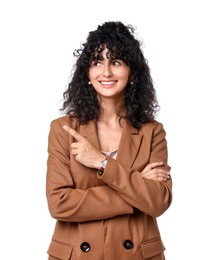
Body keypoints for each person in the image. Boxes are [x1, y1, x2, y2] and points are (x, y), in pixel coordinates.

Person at [46, 21, 172, 260]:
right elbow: (59, 204)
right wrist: (135, 191)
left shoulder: (152, 131)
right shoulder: (64, 129)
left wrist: (102, 163)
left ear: (131, 70)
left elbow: (157, 202)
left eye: (115, 62)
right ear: (87, 71)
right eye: (97, 62)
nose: (106, 72)